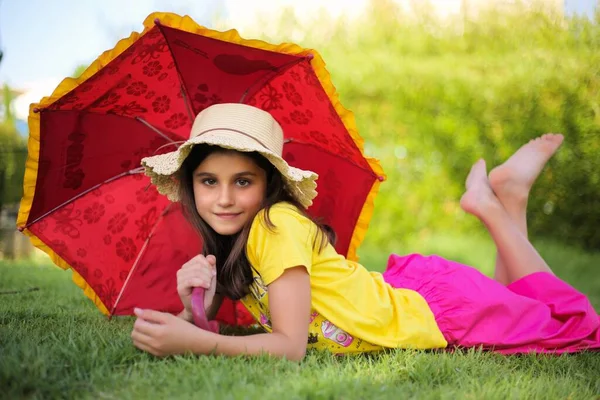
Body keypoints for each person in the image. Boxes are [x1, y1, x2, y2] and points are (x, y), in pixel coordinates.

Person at [131, 103, 600, 360]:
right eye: (208, 182)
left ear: (269, 184)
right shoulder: (235, 236)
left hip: (431, 315)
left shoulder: (275, 227)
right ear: (189, 186)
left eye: (243, 181)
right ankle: (509, 198)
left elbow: (289, 347)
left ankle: (497, 207)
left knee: (571, 324)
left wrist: (196, 341)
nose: (225, 198)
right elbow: (231, 312)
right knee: (514, 304)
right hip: (405, 298)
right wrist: (198, 303)